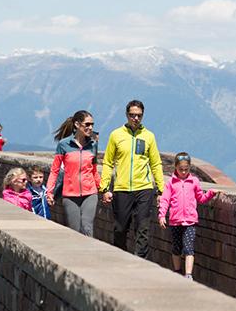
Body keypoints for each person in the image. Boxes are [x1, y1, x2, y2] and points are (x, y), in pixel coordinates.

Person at [99, 100, 164, 257]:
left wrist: (161, 189)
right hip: (122, 189)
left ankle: (141, 263)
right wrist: (105, 188)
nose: (135, 118)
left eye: (139, 116)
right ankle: (120, 258)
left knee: (143, 228)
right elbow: (108, 163)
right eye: (132, 115)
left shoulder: (149, 136)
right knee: (120, 228)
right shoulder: (116, 135)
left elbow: (156, 164)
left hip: (144, 188)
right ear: (126, 115)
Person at [158, 152, 216, 279]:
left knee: (189, 248)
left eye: (186, 169)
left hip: (190, 221)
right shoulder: (171, 183)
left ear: (189, 168)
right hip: (175, 221)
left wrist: (211, 193)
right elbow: (165, 200)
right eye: (181, 169)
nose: (183, 172)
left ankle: (188, 274)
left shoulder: (194, 181)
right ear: (175, 168)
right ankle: (177, 270)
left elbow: (200, 198)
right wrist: (162, 215)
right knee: (176, 247)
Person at [47, 110, 100, 236]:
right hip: (70, 195)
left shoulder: (93, 145)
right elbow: (54, 170)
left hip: (90, 193)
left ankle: (89, 255)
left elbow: (94, 170)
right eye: (87, 124)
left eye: (92, 124)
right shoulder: (63, 145)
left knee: (87, 227)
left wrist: (103, 188)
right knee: (74, 231)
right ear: (77, 124)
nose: (90, 127)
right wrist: (49, 192)